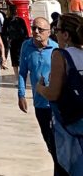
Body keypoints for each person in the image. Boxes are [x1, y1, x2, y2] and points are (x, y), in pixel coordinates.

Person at [17, 17, 65, 176]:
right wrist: (21, 94)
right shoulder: (26, 46)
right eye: (33, 28)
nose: (36, 32)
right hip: (40, 105)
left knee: (59, 144)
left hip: (57, 105)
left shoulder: (56, 49)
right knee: (50, 144)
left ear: (48, 32)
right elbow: (22, 72)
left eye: (40, 29)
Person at [39, 13, 83, 176]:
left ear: (66, 34)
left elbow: (53, 93)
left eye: (56, 29)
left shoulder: (61, 55)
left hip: (70, 125)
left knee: (66, 168)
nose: (54, 33)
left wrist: (40, 88)